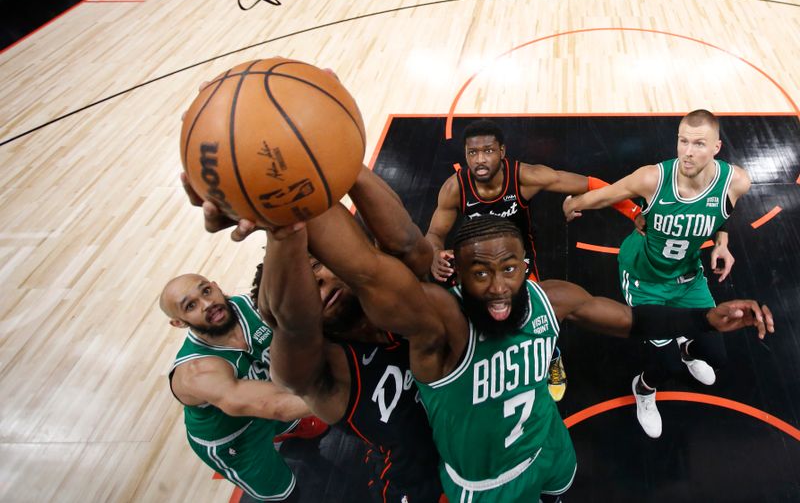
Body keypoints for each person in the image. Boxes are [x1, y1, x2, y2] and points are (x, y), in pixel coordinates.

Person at [264, 167, 772, 502]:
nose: (498, 287)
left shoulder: (553, 298)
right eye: (479, 274)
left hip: (548, 444)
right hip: (481, 486)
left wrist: (704, 320)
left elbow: (633, 321)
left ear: (526, 265)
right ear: (455, 279)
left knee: (561, 484)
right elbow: (374, 265)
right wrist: (293, 206)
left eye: (510, 268)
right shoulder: (439, 326)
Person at [183, 169, 444, 503]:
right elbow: (290, 321)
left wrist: (335, 162)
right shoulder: (325, 371)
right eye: (303, 282)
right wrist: (280, 232)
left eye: (317, 266)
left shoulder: (394, 295)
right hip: (424, 488)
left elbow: (407, 244)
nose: (316, 282)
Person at [562, 109, 752, 438]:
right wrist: (573, 203)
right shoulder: (653, 178)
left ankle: (686, 348)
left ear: (716, 148)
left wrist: (722, 242)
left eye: (699, 144)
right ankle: (644, 390)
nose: (688, 152)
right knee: (664, 366)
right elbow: (606, 195)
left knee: (715, 354)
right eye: (683, 142)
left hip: (688, 278)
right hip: (645, 280)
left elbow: (722, 216)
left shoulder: (736, 182)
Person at [425, 119, 643, 402]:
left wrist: (633, 211)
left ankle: (552, 357)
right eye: (472, 153)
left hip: (518, 261)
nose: (480, 160)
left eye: (488, 151)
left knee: (537, 316)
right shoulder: (455, 188)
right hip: (478, 263)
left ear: (502, 151)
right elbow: (434, 233)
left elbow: (590, 184)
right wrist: (433, 253)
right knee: (477, 320)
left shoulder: (525, 177)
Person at [162, 273, 315, 503]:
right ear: (179, 322)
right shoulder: (196, 371)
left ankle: (288, 428)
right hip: (235, 437)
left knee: (312, 423)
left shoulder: (250, 305)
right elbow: (267, 405)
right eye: (191, 305)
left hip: (271, 397)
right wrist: (341, 395)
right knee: (285, 494)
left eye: (205, 291)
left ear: (215, 286)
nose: (207, 304)